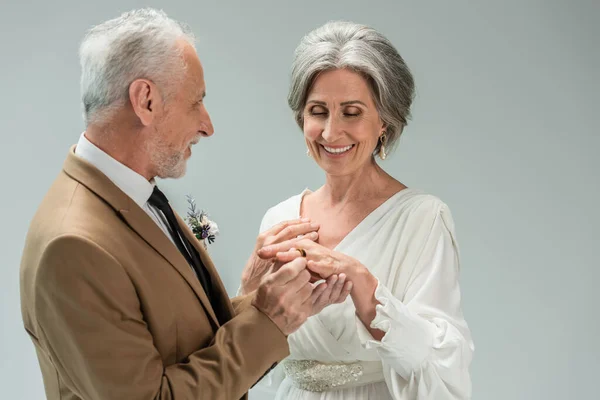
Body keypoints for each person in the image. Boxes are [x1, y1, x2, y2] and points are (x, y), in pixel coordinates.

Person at [19, 9, 351, 400]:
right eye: (196, 102)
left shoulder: (131, 196)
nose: (208, 125)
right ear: (145, 101)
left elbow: (175, 344)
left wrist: (255, 299)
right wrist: (268, 321)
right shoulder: (73, 246)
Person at [240, 21, 474, 399]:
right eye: (318, 111)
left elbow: (439, 359)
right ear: (302, 117)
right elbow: (249, 356)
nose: (331, 133)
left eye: (351, 112)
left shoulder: (422, 219)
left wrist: (361, 282)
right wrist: (250, 289)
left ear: (384, 121)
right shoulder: (279, 220)